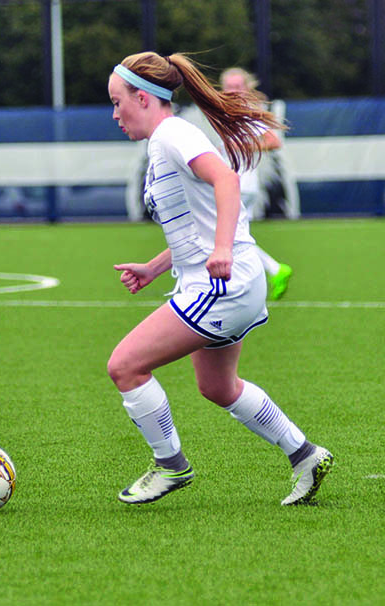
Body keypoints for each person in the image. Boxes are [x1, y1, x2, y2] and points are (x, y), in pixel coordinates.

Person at [106, 52, 333, 506]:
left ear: (145, 98)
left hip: (222, 284)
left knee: (125, 366)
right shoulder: (164, 141)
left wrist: (223, 249)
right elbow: (197, 224)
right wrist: (154, 267)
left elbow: (226, 181)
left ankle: (170, 466)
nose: (114, 114)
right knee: (217, 387)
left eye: (118, 102)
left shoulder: (172, 134)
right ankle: (306, 455)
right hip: (229, 282)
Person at [220, 67, 292, 300]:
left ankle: (271, 270)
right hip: (235, 182)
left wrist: (245, 147)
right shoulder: (230, 111)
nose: (233, 91)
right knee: (233, 237)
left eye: (238, 86)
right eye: (229, 87)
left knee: (226, 236)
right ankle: (262, 274)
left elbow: (273, 141)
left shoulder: (248, 111)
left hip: (241, 184)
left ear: (247, 87)